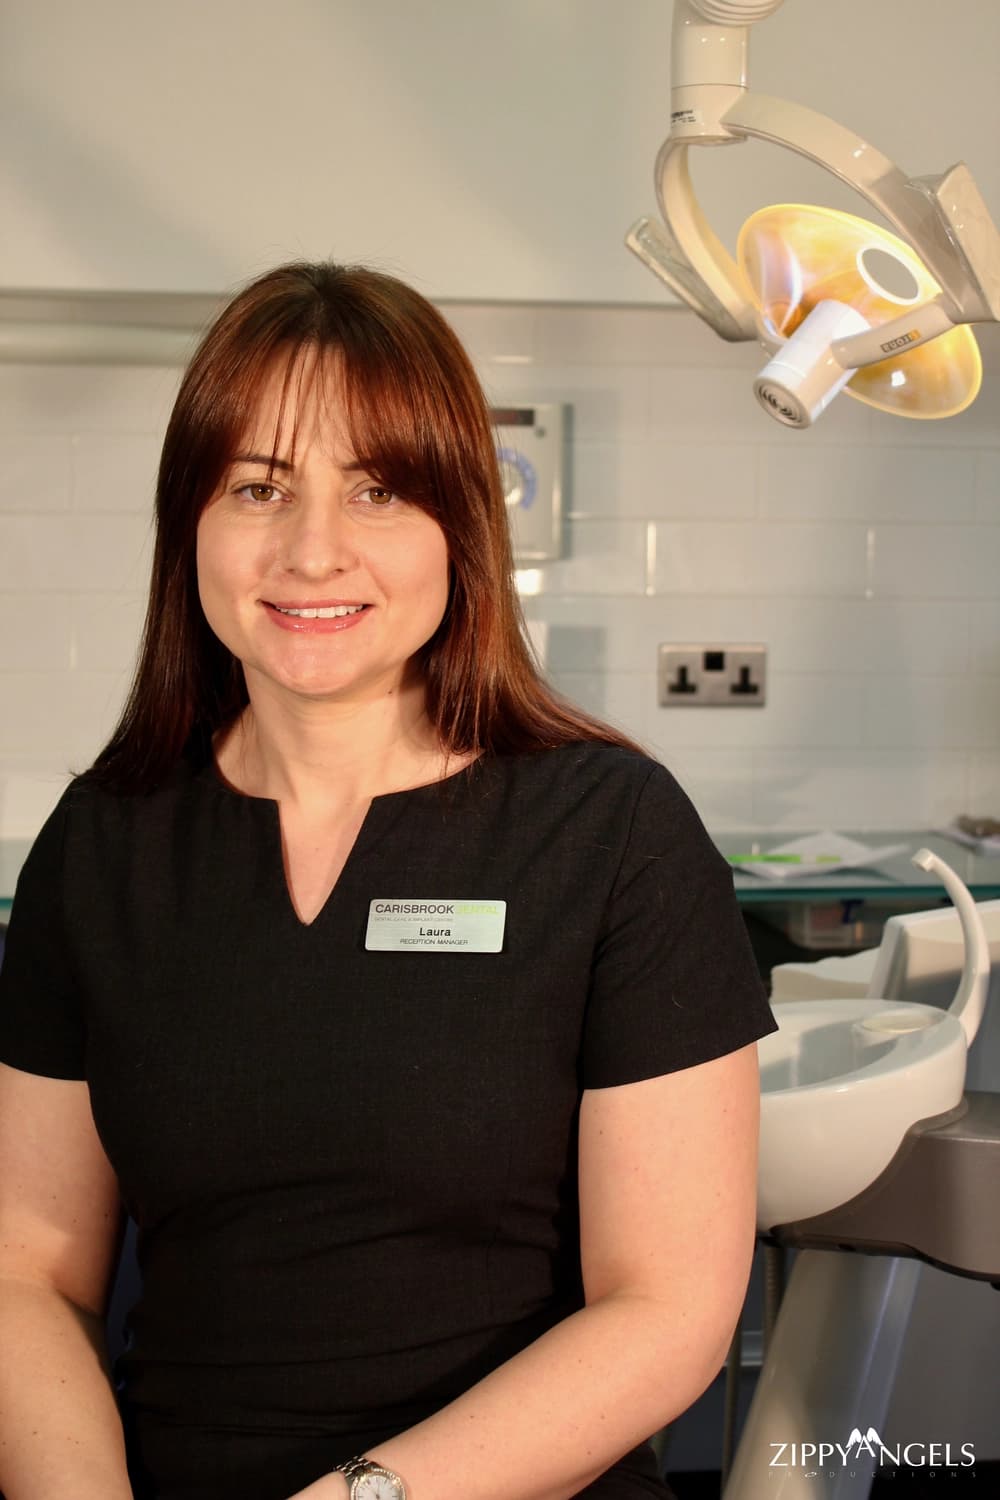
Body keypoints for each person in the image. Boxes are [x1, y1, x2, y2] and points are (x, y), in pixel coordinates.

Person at [0, 261, 776, 1500]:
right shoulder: (101, 849)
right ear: (189, 526)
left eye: (377, 491)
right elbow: (26, 1273)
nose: (314, 551)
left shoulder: (610, 833)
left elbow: (667, 1306)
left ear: (458, 526)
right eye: (258, 487)